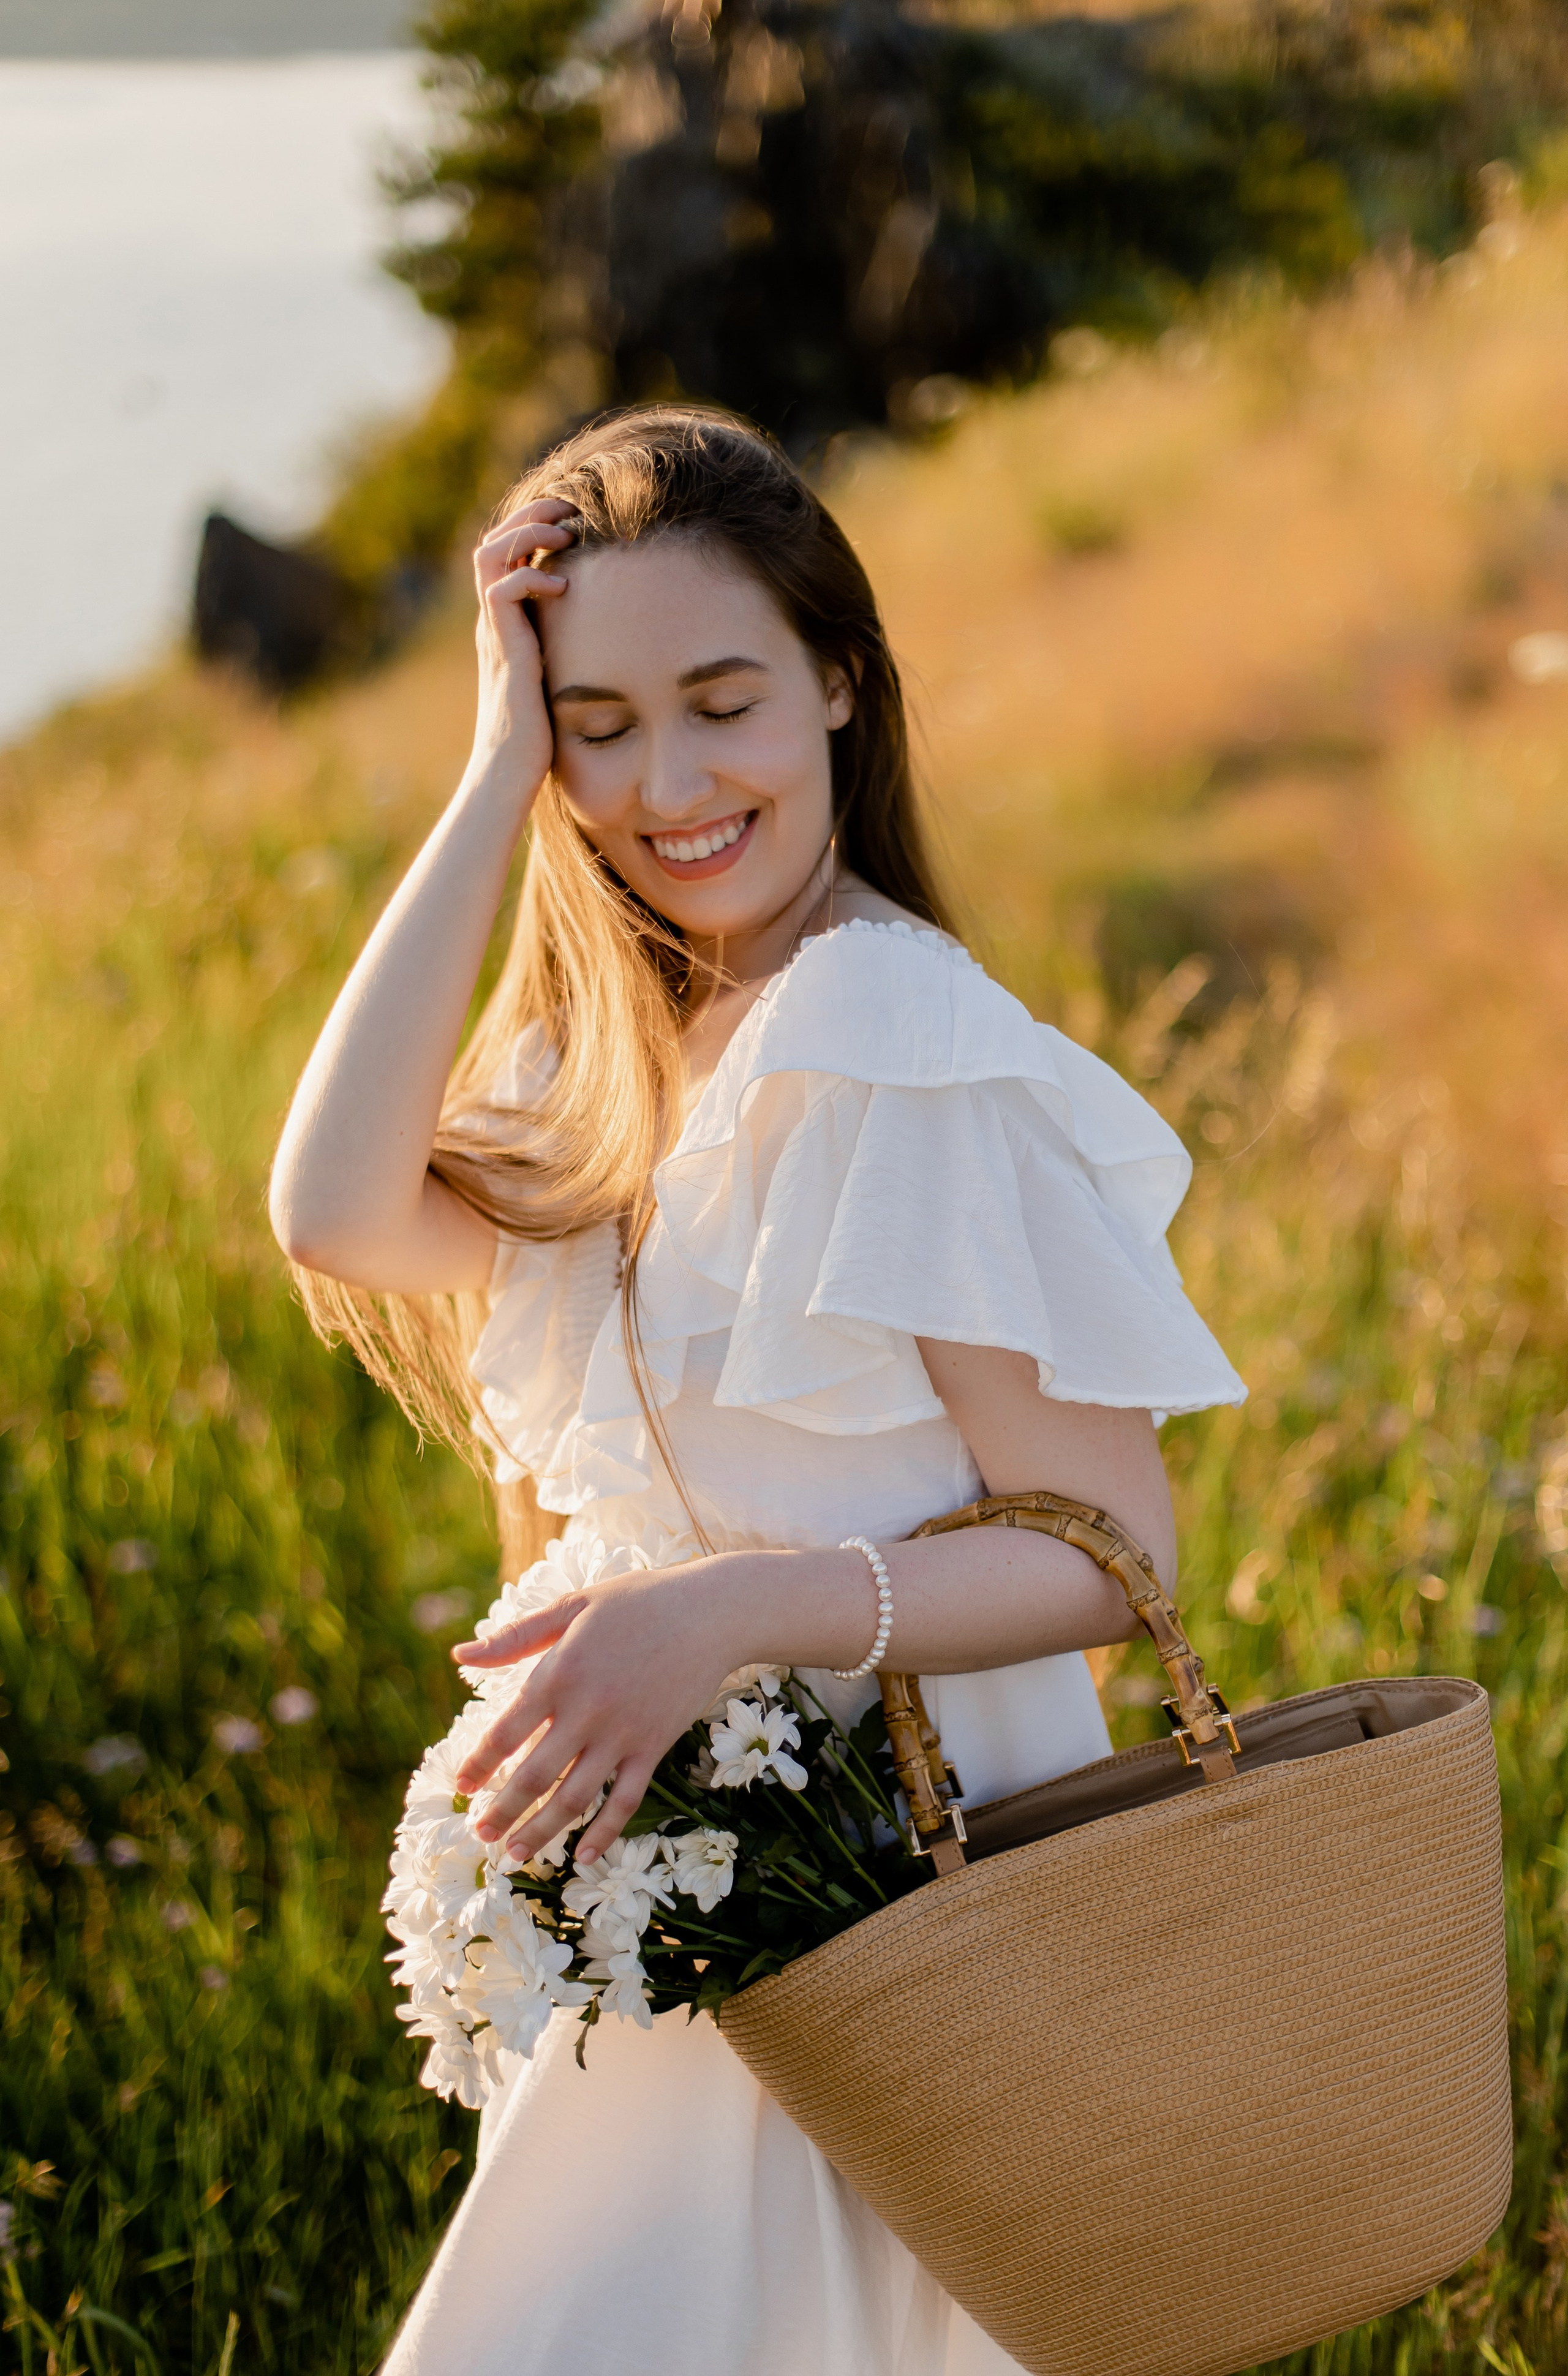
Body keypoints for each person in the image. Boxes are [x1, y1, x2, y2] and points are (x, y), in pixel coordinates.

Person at [270, 404, 1246, 2375]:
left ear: (839, 689)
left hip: (911, 1902)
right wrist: (488, 781)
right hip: (696, 1912)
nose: (668, 781)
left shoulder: (892, 1037)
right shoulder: (607, 1060)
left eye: (722, 701)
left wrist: (726, 1615)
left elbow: (1111, 1551)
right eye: (599, 723)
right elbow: (331, 1204)